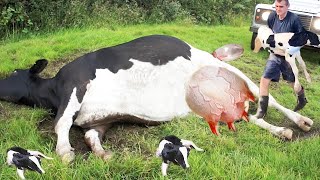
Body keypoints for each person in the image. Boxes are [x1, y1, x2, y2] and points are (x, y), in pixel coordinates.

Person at [255, 0, 307, 118]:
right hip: (274, 55)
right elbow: (269, 33)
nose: (278, 9)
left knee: (292, 83)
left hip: (288, 57)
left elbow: (302, 38)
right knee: (264, 80)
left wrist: (290, 50)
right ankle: (262, 111)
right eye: (277, 6)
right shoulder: (272, 16)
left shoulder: (294, 19)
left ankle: (302, 98)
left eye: (281, 7)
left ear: (287, 7)